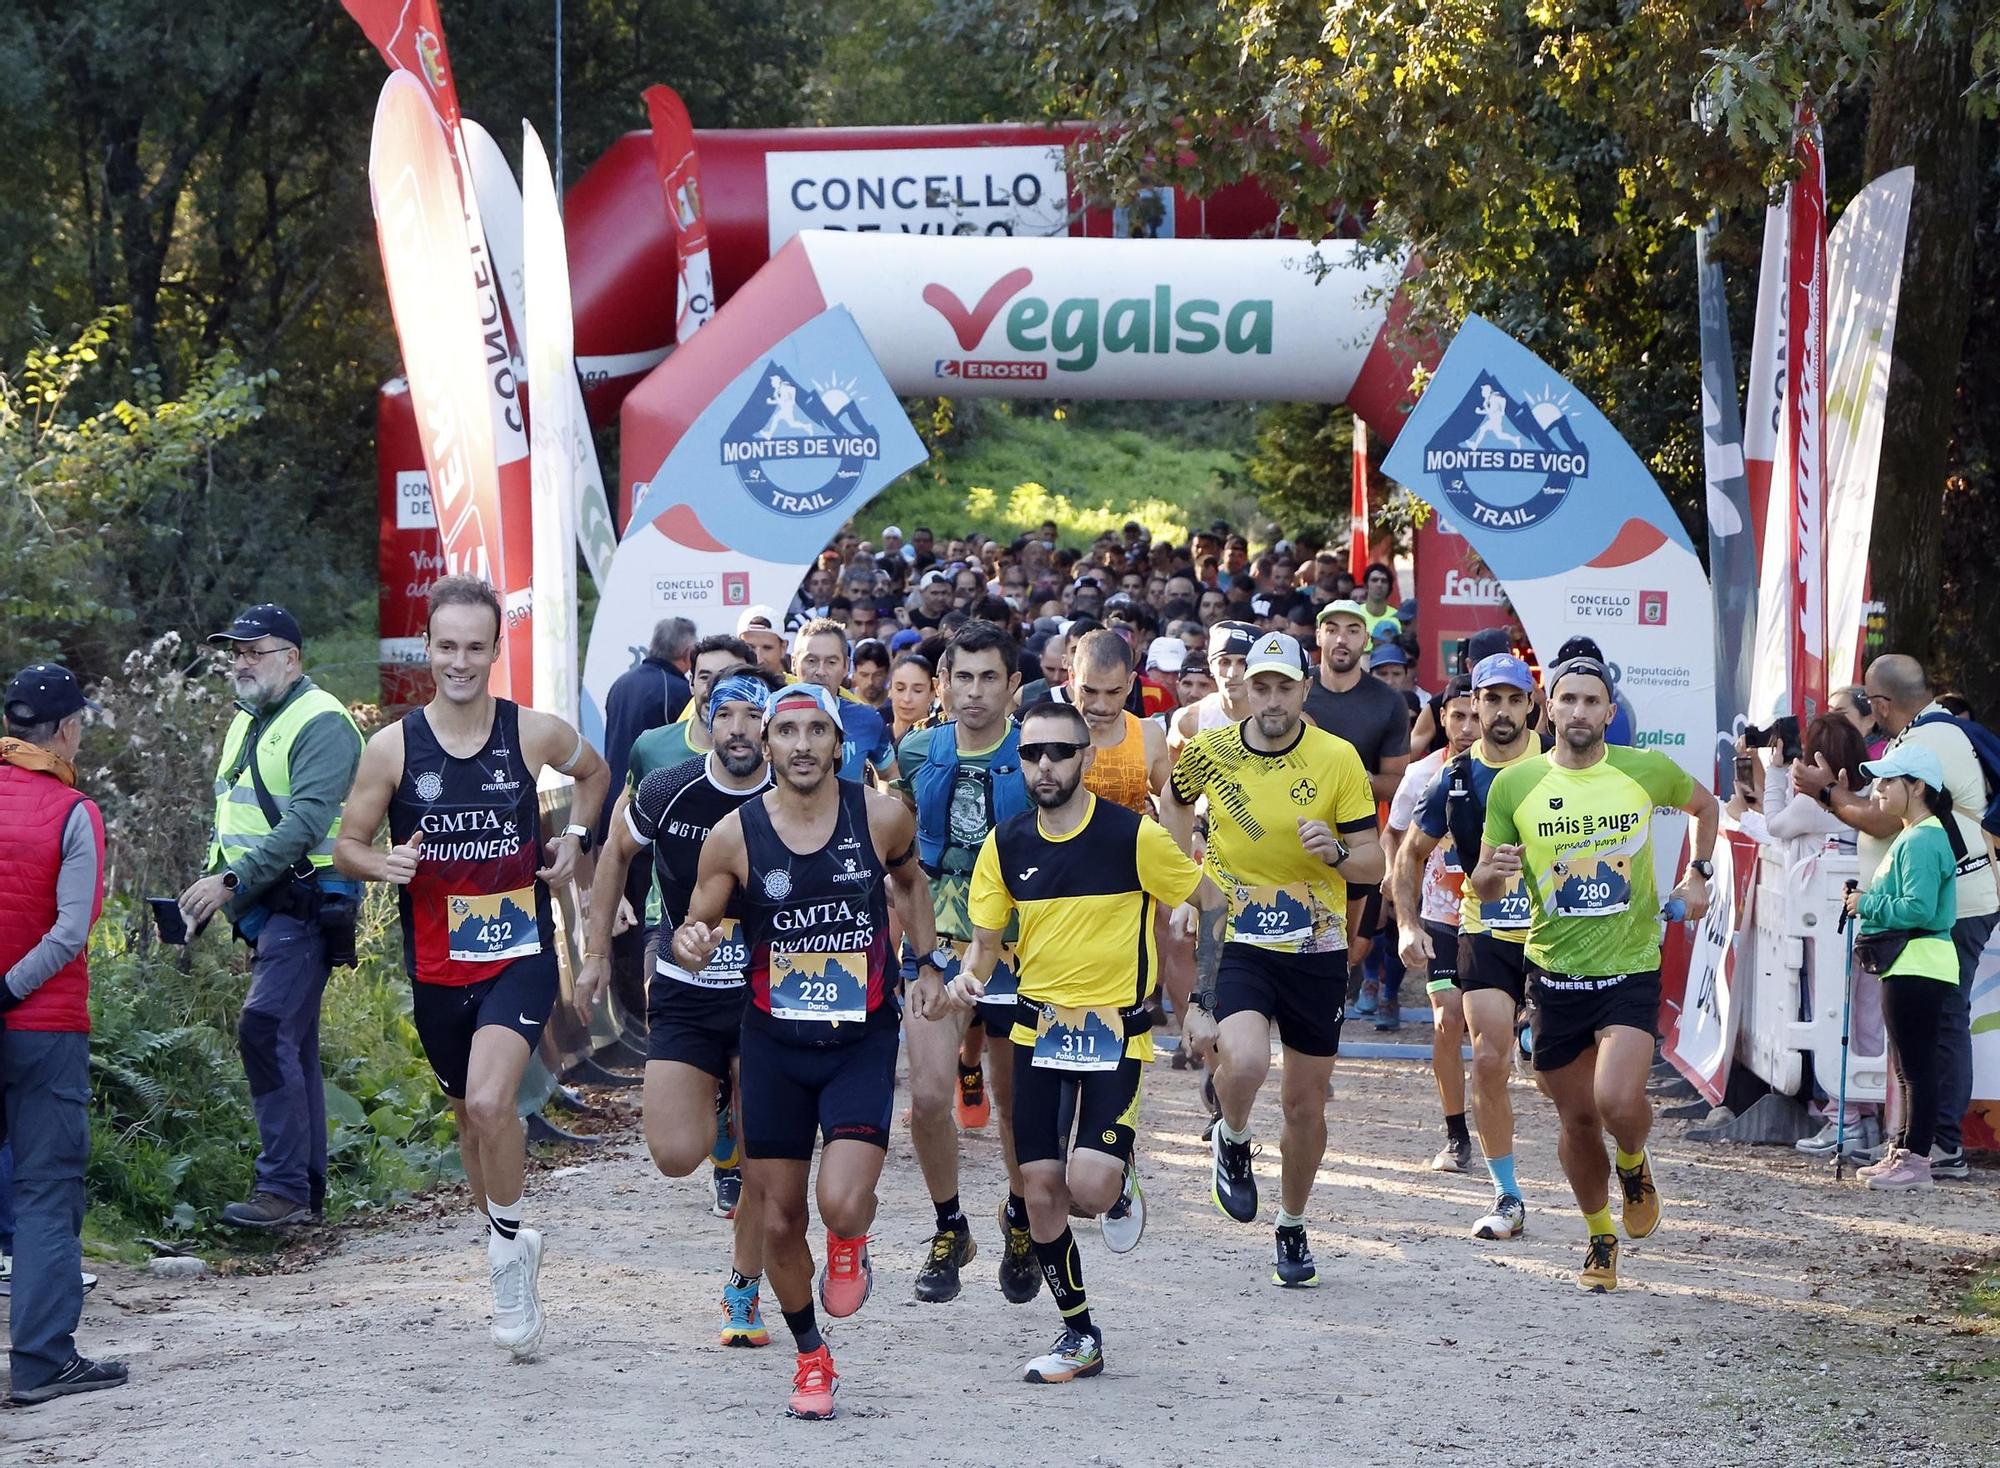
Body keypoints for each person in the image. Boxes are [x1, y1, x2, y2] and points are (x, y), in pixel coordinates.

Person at [334, 576, 609, 1358]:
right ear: (428, 647)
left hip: (517, 954)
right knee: (467, 1116)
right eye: (446, 645)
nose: (459, 661)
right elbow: (346, 846)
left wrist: (576, 841)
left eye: (474, 647)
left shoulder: (531, 734)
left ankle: (506, 1255)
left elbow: (593, 776)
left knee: (494, 1104)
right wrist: (378, 865)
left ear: (495, 651)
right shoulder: (392, 748)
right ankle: (506, 1232)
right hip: (436, 966)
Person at [672, 682, 941, 1420]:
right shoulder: (734, 834)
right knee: (782, 1218)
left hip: (858, 1038)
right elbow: (695, 929)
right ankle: (811, 1357)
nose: (800, 745)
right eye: (786, 732)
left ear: (836, 741)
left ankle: (851, 1239)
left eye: (814, 731)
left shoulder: (879, 814)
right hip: (772, 1044)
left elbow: (911, 883)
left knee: (840, 1201)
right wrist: (693, 943)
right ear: (767, 745)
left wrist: (926, 964)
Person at [945, 701, 1209, 1380]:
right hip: (1038, 1031)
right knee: (1038, 1192)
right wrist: (965, 982)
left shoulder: (1133, 837)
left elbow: (1205, 896)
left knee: (1086, 1190)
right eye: (1031, 754)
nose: (1045, 766)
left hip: (1115, 1036)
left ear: (1086, 758)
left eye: (1060, 752)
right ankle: (1079, 1335)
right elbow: (984, 946)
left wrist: (1200, 982)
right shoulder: (1003, 845)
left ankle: (1117, 1183)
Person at [1472, 655, 1718, 1293]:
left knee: (1615, 1100)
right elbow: (1483, 883)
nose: (1579, 712)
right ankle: (1600, 1236)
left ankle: (1634, 1162)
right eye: (1568, 700)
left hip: (1630, 968)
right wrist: (1492, 872)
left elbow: (1707, 807)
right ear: (1546, 710)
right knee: (1577, 1120)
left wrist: (1699, 876)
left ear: (1609, 713)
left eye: (1591, 701)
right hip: (1552, 973)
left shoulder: (1643, 770)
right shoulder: (1513, 786)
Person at [1162, 631, 1383, 1287]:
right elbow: (1172, 797)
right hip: (1241, 934)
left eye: (1286, 686)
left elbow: (1374, 861)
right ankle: (1230, 1136)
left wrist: (1337, 853)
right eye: (1262, 685)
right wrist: (1184, 881)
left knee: (1304, 1106)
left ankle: (1291, 1223)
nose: (1273, 698)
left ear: (1304, 690)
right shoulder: (1212, 751)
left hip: (1317, 946)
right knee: (1248, 1058)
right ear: (1244, 690)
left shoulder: (1337, 758)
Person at [575, 666, 783, 1345]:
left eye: (755, 717)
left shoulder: (793, 793)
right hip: (683, 991)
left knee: (763, 1158)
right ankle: (715, 1114)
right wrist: (598, 953)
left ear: (772, 726)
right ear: (707, 718)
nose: (740, 730)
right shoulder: (668, 788)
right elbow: (614, 854)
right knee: (672, 1154)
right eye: (728, 716)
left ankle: (743, 1289)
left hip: (767, 995)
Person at [179, 603, 363, 1230]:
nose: (242, 662)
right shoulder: (247, 719)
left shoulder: (322, 722)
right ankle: (304, 1194)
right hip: (269, 908)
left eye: (255, 650)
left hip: (308, 905)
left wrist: (230, 882)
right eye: (236, 651)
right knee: (293, 1040)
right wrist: (211, 886)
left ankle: (282, 1189)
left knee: (264, 1027)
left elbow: (308, 821)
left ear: (293, 657)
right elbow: (232, 813)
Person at [1793, 653, 2000, 1180]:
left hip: (1949, 911)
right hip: (1953, 904)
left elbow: (1880, 819)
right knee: (1930, 1035)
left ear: (1882, 703)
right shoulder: (1934, 735)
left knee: (1937, 1031)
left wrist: (1826, 793)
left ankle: (1937, 1148)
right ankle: (1925, 1147)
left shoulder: (1927, 744)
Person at [893, 621, 1041, 1305]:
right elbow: (899, 860)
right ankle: (950, 1224)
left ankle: (1017, 1217)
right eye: (963, 677)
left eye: (990, 678)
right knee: (927, 1097)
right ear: (943, 683)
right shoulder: (917, 749)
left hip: (1019, 946)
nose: (974, 691)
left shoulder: (1038, 752)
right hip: (936, 941)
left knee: (1015, 1108)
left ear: (1013, 685)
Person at [0, 664, 123, 1407]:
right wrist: (8, 988)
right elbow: (70, 931)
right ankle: (42, 1363)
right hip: (42, 1028)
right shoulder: (75, 811)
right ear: (69, 729)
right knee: (47, 1193)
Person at [1398, 654, 1546, 1238]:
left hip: (1561, 935)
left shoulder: (1563, 761)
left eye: (1514, 700)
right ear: (1474, 706)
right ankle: (1506, 1194)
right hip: (1483, 929)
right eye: (1492, 700)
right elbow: (1409, 853)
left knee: (1571, 1077)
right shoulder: (1454, 778)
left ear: (1532, 704)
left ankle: (1619, 1160)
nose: (1503, 712)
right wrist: (1408, 924)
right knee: (1487, 1056)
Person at [1842, 745, 1961, 1192]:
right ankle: (1904, 1154)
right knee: (1908, 1067)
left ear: (1917, 787)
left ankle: (1915, 1161)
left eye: (1889, 781)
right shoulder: (1917, 835)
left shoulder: (1923, 838)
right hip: (1913, 961)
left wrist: (1865, 903)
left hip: (1919, 961)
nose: (1878, 790)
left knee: (1916, 1068)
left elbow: (1919, 907)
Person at [1385, 678, 1478, 1171]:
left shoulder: (1517, 768)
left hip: (1499, 919)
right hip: (1439, 913)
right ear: (1441, 719)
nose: (1466, 727)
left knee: (1490, 1034)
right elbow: (1393, 836)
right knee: (1447, 1018)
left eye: (1474, 716)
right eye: (1456, 716)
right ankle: (1456, 1134)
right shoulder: (1423, 774)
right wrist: (1396, 891)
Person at [1061, 629, 1170, 813]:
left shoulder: (1149, 735)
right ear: (1072, 678)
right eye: (1089, 691)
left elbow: (1173, 801)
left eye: (1113, 692)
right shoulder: (1048, 733)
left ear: (1130, 683)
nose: (1101, 706)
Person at [599, 616, 695, 818]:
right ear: (688, 654)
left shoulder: (621, 683)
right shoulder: (679, 691)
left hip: (612, 800)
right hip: (652, 809)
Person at [792, 619, 897, 786]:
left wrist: (882, 809)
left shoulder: (866, 719)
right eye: (811, 661)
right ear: (794, 663)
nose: (820, 671)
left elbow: (890, 775)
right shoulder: (771, 717)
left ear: (846, 666)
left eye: (831, 662)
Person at [889, 653, 936, 745]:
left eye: (917, 690)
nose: (907, 699)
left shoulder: (941, 740)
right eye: (900, 689)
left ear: (932, 693)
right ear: (889, 690)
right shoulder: (876, 739)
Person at [737, 606, 788, 677]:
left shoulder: (797, 687)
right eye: (749, 648)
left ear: (783, 648)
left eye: (767, 648)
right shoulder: (724, 686)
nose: (759, 659)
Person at [851, 638, 891, 710]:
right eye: (864, 675)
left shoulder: (898, 705)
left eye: (877, 675)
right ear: (854, 674)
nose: (870, 682)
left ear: (887, 674)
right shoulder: (844, 705)